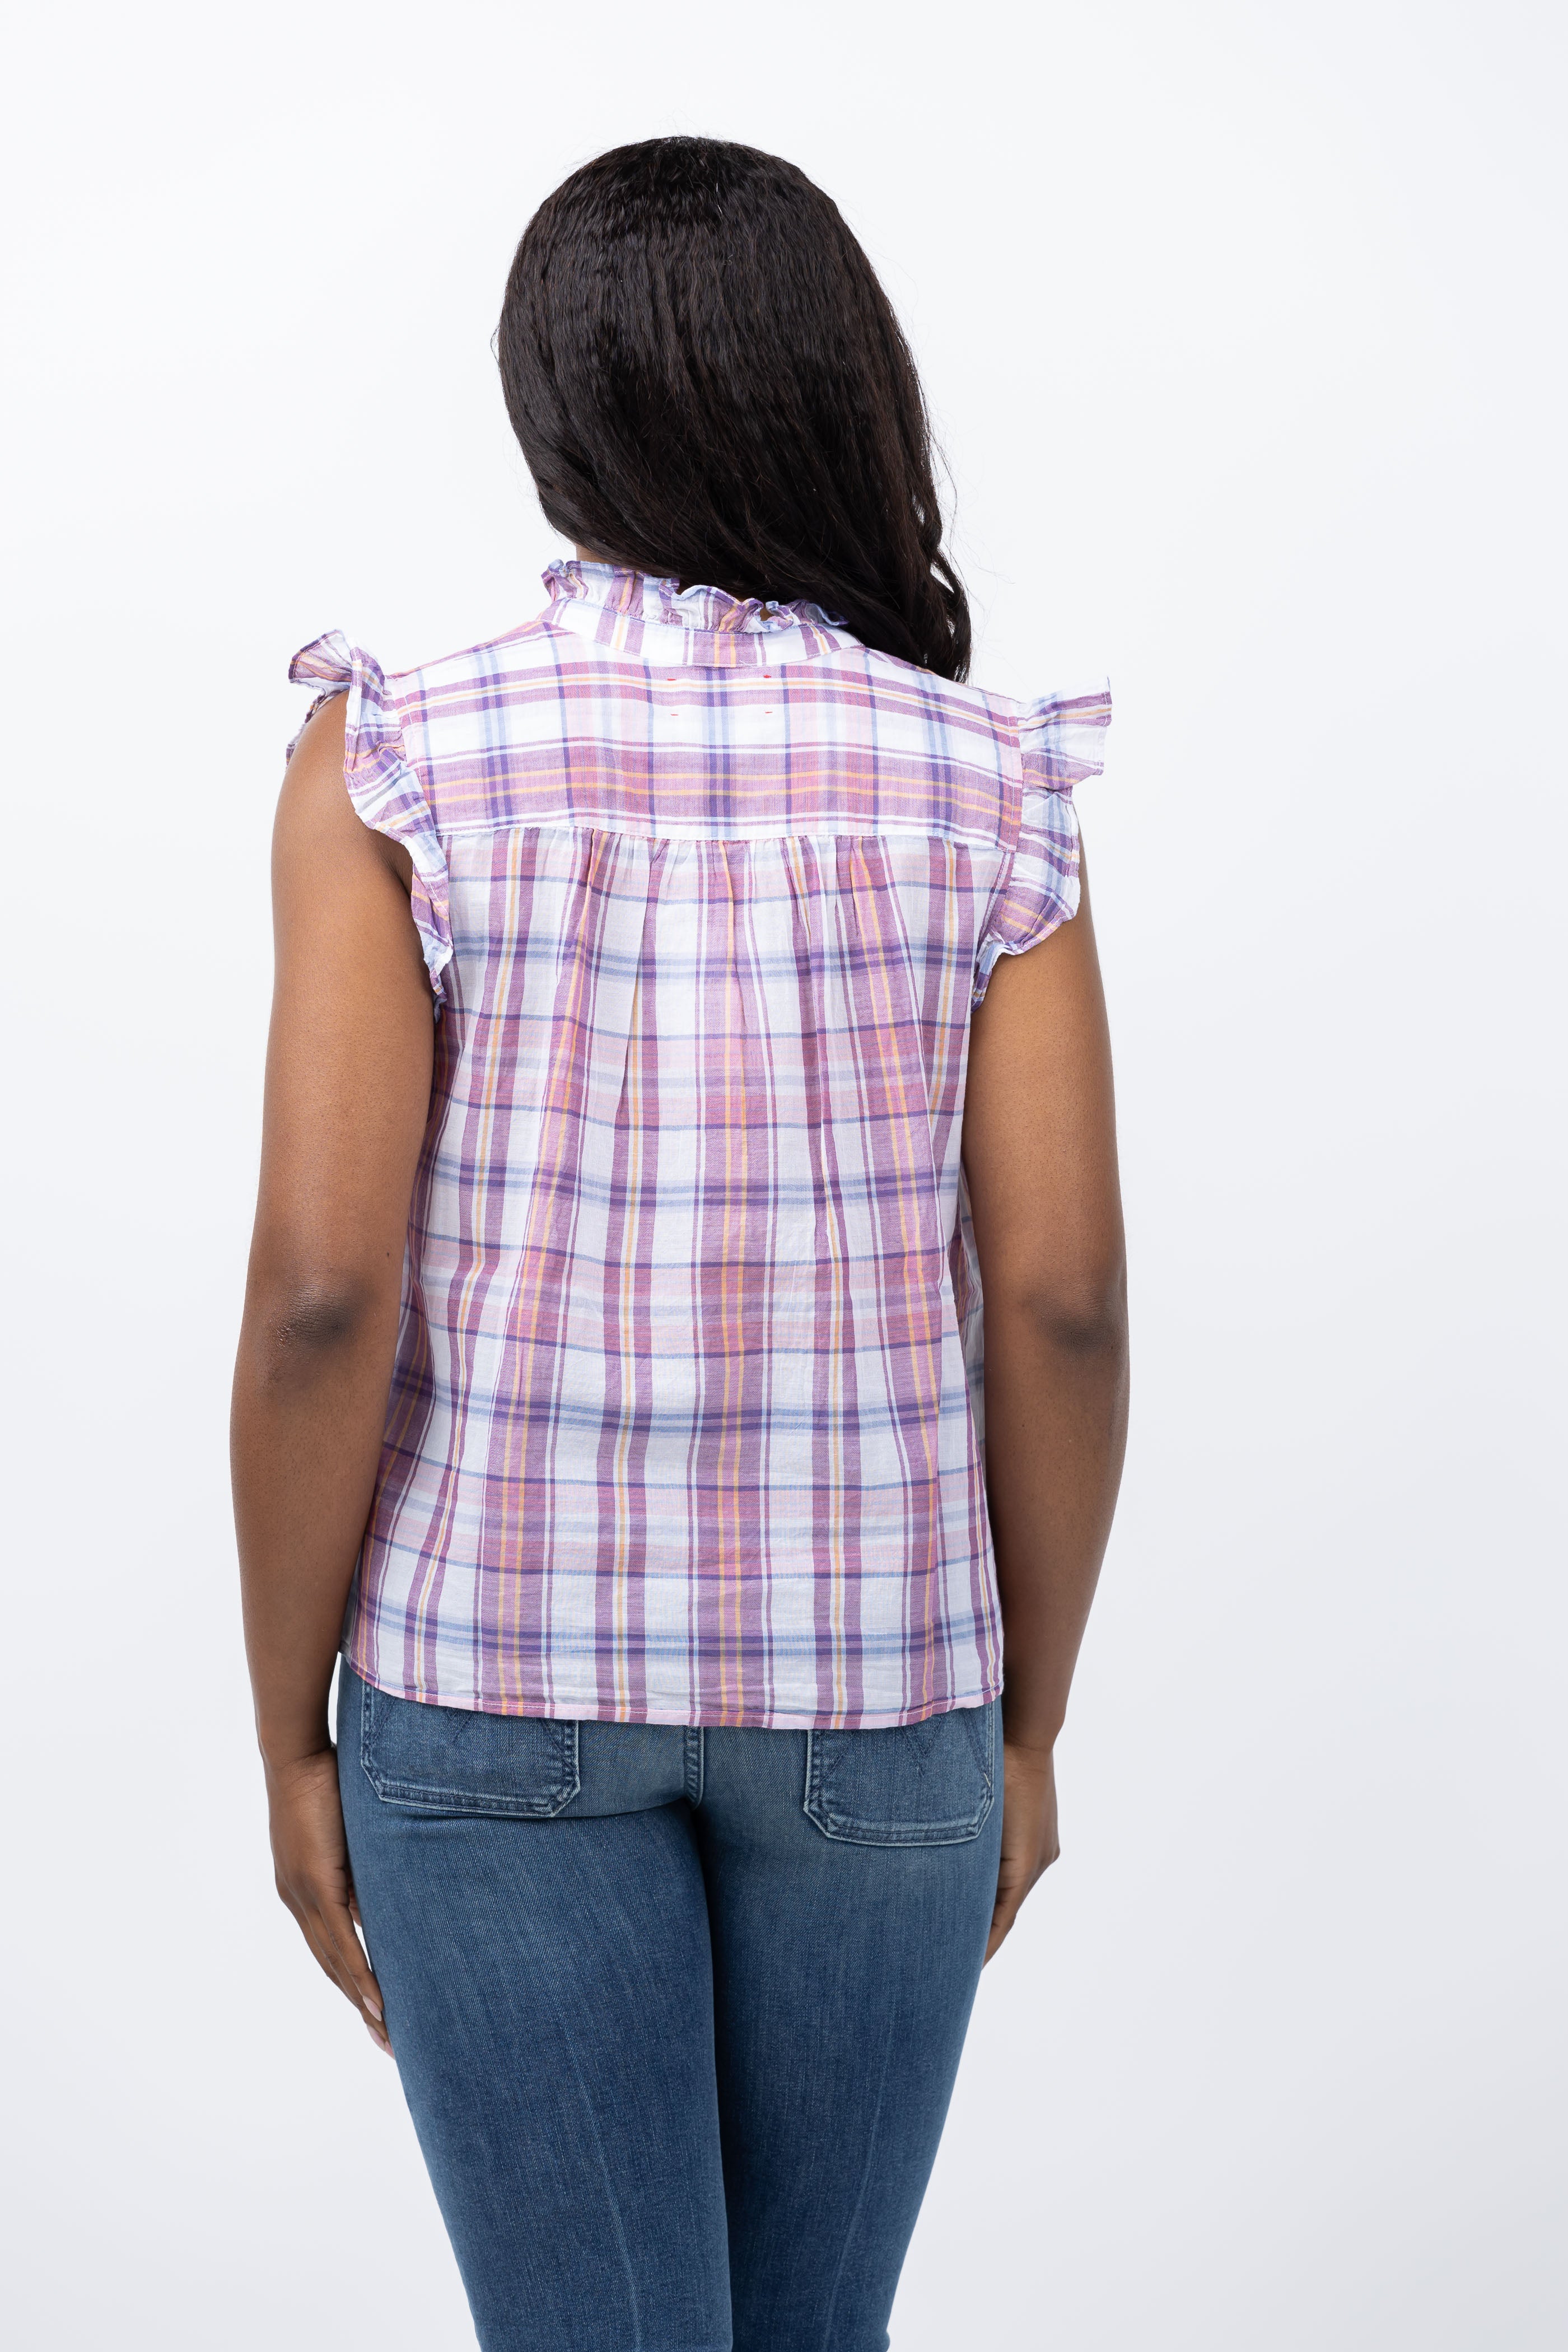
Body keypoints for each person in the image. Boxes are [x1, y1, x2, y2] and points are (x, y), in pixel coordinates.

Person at [232, 134, 1128, 2352]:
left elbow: (323, 1292)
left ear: (557, 411)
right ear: (844, 390)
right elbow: (1062, 1301)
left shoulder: (405, 756)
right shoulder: (983, 783)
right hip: (882, 1694)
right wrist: (1026, 1725)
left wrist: (286, 1737)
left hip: (486, 1677)